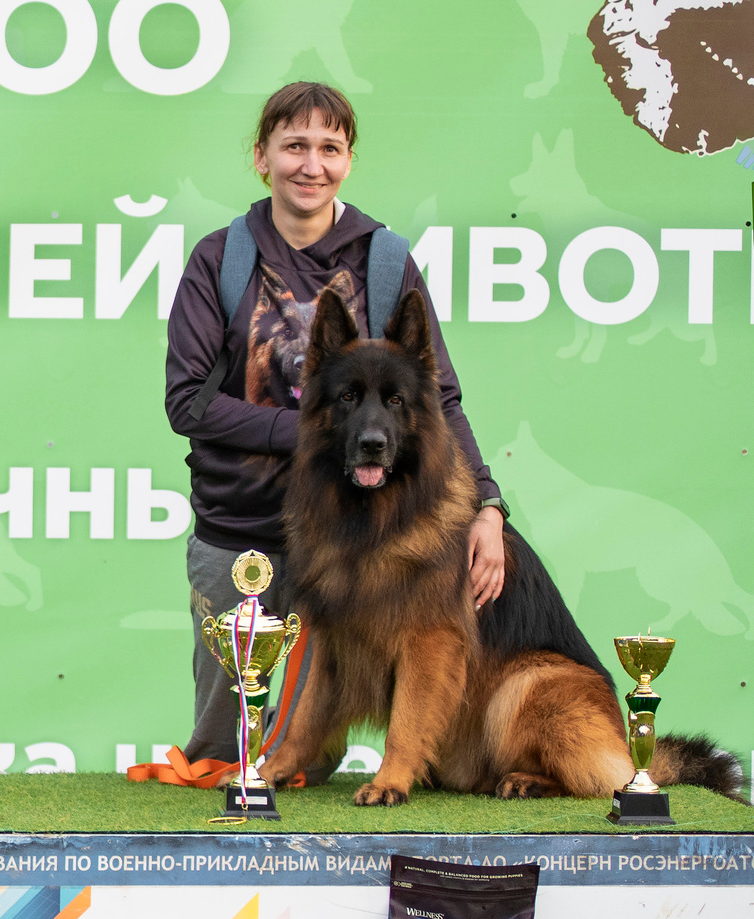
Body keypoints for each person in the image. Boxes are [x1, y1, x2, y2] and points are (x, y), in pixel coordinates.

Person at [164, 81, 507, 766]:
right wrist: (310, 433)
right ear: (261, 157)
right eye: (293, 145)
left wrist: (489, 503)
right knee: (226, 757)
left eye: (329, 146)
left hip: (354, 550)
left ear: (348, 159)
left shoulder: (382, 261)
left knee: (307, 764)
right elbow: (188, 402)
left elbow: (436, 398)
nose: (310, 164)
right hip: (244, 540)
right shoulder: (219, 259)